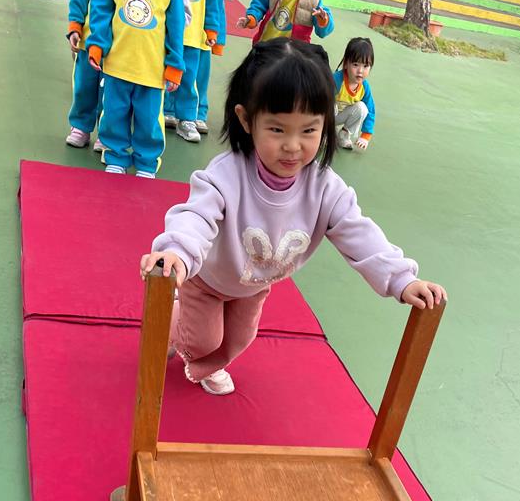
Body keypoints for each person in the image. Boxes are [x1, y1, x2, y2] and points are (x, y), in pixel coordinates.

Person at [140, 39, 446, 395]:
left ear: (325, 124)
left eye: (308, 130)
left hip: (253, 285)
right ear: (246, 119)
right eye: (277, 129)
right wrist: (176, 252)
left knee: (240, 339)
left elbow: (358, 233)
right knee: (203, 340)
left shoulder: (324, 188)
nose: (293, 146)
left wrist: (401, 278)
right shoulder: (226, 176)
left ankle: (209, 358)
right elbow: (196, 216)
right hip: (206, 280)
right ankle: (175, 324)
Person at [86, 0, 186, 176]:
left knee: (149, 120)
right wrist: (97, 45)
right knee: (113, 115)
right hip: (117, 64)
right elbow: (101, 8)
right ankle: (116, 157)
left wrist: (175, 64)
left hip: (152, 70)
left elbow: (176, 25)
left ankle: (146, 163)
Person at [164, 0, 225, 142]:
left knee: (189, 80)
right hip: (167, 34)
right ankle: (165, 110)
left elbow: (212, 3)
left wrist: (211, 30)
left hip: (193, 37)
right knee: (163, 77)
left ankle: (187, 118)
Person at [65, 0, 104, 151]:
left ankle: (106, 133)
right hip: (89, 37)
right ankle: (80, 126)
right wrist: (75, 26)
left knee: (111, 92)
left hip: (118, 41)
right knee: (84, 86)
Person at [237, 0, 333, 44]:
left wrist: (323, 20)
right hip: (265, 44)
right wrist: (252, 18)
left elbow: (322, 32)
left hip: (292, 55)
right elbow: (260, 3)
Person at [334, 37, 375, 152]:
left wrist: (366, 135)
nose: (360, 71)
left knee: (363, 108)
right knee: (328, 102)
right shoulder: (337, 80)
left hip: (340, 116)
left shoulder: (364, 87)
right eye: (356, 64)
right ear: (346, 64)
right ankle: (324, 132)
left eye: (365, 66)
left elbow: (371, 111)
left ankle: (343, 136)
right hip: (325, 115)